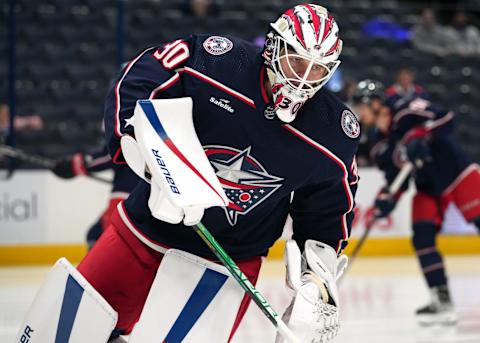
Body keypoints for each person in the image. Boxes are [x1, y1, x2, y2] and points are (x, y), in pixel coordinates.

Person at [19, 5, 359, 342]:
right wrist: (148, 157)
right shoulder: (217, 61)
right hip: (144, 231)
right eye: (297, 61)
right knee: (69, 333)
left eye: (317, 69)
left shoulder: (333, 132)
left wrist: (315, 284)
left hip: (229, 263)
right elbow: (139, 78)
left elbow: (326, 216)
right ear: (273, 47)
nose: (303, 77)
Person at [353, 79, 480, 326]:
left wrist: (421, 134)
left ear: (375, 103)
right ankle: (440, 299)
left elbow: (446, 118)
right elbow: (396, 180)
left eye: (361, 106)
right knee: (422, 237)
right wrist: (387, 199)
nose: (359, 113)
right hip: (428, 186)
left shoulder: (406, 110)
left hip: (457, 173)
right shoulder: (379, 144)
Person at [52, 144, 139, 248]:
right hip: (140, 192)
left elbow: (111, 154)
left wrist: (78, 164)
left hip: (126, 192)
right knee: (95, 234)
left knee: (102, 238)